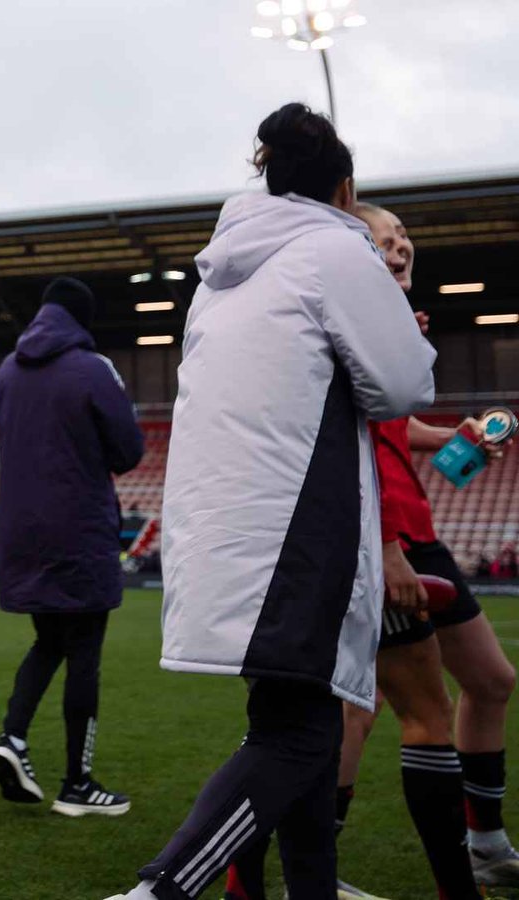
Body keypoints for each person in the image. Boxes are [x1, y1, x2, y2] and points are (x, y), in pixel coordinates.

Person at [106, 103, 435, 900]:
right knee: (299, 736)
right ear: (345, 190)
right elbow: (403, 385)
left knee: (299, 731)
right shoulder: (335, 248)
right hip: (296, 532)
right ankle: (162, 888)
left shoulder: (223, 271)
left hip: (228, 525)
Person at [226, 205, 513, 900]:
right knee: (369, 712)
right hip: (383, 537)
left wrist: (453, 437)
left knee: (483, 682)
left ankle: (475, 847)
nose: (401, 246)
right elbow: (349, 432)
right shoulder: (346, 319)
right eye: (385, 239)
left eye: (405, 237)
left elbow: (386, 425)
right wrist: (383, 546)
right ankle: (305, 869)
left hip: (405, 533)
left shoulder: (380, 320)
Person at [0, 276, 144, 818]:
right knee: (85, 654)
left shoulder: (7, 371)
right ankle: (77, 783)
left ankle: (12, 737)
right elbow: (128, 451)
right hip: (79, 530)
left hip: (22, 531)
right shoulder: (92, 368)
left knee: (48, 641)